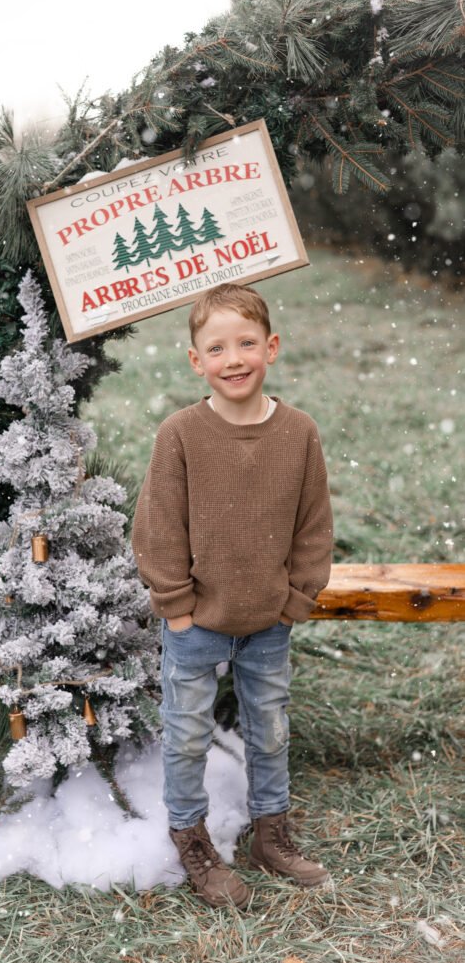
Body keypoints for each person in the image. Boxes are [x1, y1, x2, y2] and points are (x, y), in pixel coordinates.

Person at [132, 283, 334, 908]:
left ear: (270, 347)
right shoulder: (182, 434)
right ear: (197, 361)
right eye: (216, 348)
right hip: (196, 622)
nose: (234, 358)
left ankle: (270, 834)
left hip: (269, 618)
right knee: (188, 732)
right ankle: (191, 839)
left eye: (247, 343)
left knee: (269, 728)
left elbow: (313, 524)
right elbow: (158, 525)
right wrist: (178, 606)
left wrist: (296, 598)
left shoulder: (298, 433)